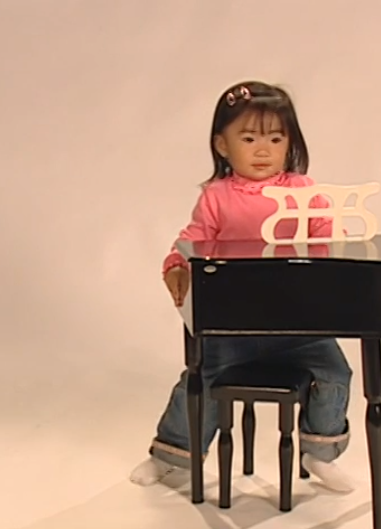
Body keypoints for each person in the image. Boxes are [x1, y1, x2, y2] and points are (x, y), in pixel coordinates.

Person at [129, 80, 354, 493]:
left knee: (335, 371)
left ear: (290, 143)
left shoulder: (304, 191)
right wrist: (177, 265)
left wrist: (335, 249)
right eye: (249, 139)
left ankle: (319, 452)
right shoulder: (217, 197)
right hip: (234, 324)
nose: (263, 149)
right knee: (201, 379)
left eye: (275, 138)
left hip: (299, 325)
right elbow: (192, 239)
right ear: (222, 145)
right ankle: (172, 453)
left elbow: (327, 231)